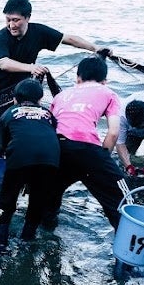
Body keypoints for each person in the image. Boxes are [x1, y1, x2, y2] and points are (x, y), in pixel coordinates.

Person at [0, 0, 100, 156]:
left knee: (23, 133)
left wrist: (95, 48)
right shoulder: (0, 37)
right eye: (8, 20)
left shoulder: (38, 32)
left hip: (24, 92)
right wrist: (31, 67)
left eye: (16, 20)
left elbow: (69, 39)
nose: (11, 25)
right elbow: (3, 63)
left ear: (27, 18)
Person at [42, 54, 127, 234]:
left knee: (49, 197)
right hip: (86, 148)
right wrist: (102, 157)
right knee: (120, 199)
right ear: (104, 81)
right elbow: (113, 132)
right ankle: (126, 249)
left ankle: (46, 237)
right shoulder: (108, 92)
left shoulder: (61, 95)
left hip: (55, 148)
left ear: (78, 78)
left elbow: (50, 125)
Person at [0, 79, 58, 254]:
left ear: (15, 99)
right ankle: (27, 239)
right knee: (37, 201)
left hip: (19, 158)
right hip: (50, 160)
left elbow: (4, 145)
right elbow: (50, 134)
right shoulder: (48, 114)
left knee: (6, 201)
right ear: (40, 100)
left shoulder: (8, 113)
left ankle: (0, 245)